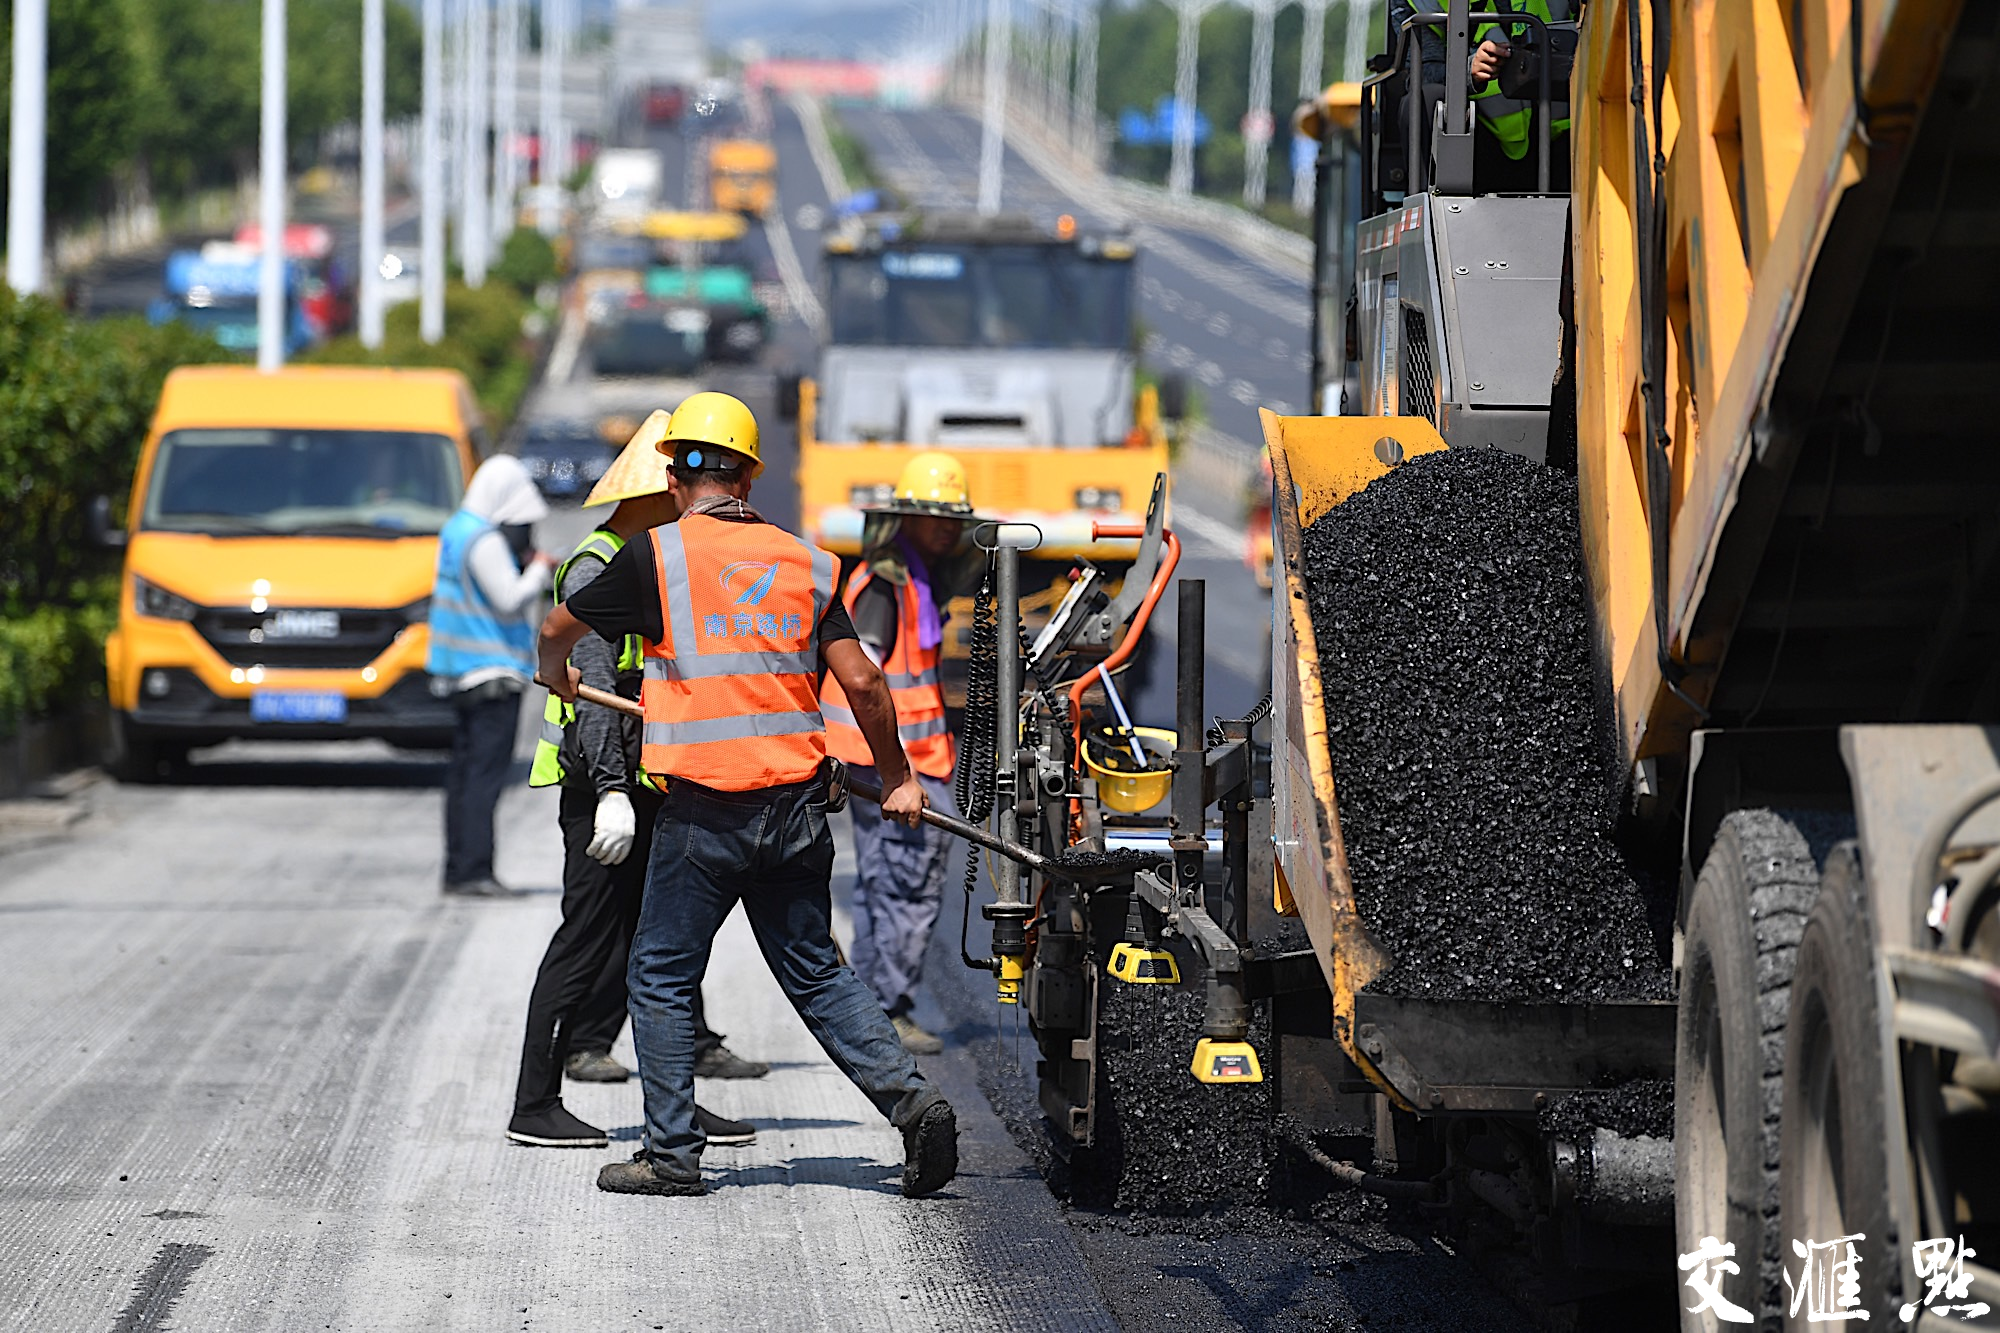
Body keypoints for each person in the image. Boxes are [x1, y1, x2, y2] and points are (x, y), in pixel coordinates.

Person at [537, 391, 960, 1199]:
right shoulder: (808, 562)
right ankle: (913, 1104)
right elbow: (865, 680)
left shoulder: (654, 556)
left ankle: (671, 1156)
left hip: (704, 816)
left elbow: (561, 629)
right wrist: (898, 774)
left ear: (672, 470)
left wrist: (556, 674)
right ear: (750, 474)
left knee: (659, 973)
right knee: (818, 974)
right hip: (799, 809)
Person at [508, 412, 768, 1151]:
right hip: (601, 789)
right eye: (684, 488)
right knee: (584, 940)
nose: (696, 505)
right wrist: (615, 793)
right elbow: (590, 692)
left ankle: (676, 1105)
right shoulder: (598, 566)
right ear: (659, 490)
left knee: (661, 946)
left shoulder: (658, 559)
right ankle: (534, 1101)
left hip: (650, 782)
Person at [821, 452, 982, 1055]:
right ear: (903, 520)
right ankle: (889, 1008)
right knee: (906, 879)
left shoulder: (911, 578)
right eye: (930, 516)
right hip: (891, 764)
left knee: (883, 878)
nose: (944, 528)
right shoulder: (885, 588)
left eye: (951, 519)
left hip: (901, 758)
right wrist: (897, 774)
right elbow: (865, 678)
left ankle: (870, 1004)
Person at [429, 454, 552, 897]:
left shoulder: (455, 530)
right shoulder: (483, 540)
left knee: (464, 774)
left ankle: (458, 867)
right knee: (483, 776)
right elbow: (508, 597)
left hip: (461, 671)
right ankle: (475, 871)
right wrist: (539, 568)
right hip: (492, 672)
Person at [1388, 0, 1575, 194]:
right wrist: (1468, 71)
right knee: (1420, 102)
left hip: (1566, 140)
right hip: (1479, 151)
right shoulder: (1420, 3)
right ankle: (1434, 207)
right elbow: (1423, 71)